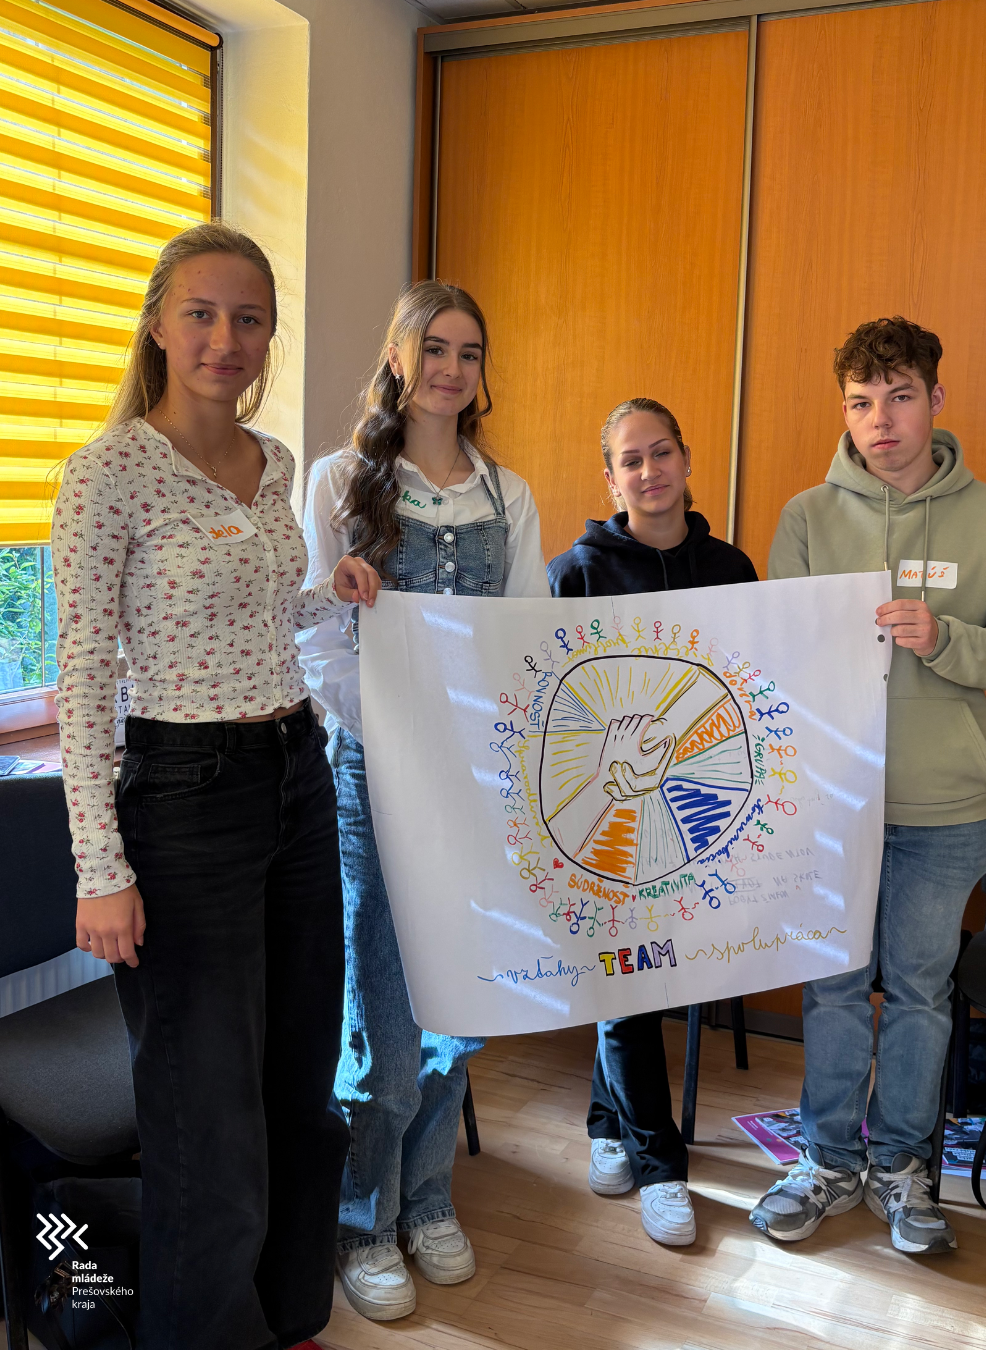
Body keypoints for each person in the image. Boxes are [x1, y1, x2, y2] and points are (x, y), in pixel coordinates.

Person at [52, 221, 380, 1350]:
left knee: (300, 1086)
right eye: (201, 313)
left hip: (294, 775)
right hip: (184, 798)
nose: (224, 339)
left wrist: (331, 589)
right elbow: (84, 674)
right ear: (157, 323)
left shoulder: (273, 462)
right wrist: (100, 868)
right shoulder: (106, 474)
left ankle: (288, 1320)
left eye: (248, 318)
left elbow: (255, 613)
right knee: (208, 1120)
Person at [751, 316, 986, 1254]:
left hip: (945, 810)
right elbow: (773, 658)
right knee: (834, 990)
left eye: (899, 396)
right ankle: (828, 1162)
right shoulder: (808, 516)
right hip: (833, 807)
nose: (880, 419)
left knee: (921, 994)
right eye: (860, 402)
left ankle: (902, 1169)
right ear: (844, 411)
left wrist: (944, 638)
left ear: (935, 399)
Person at [298, 280, 549, 1322]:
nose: (452, 369)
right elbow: (316, 636)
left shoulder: (508, 493)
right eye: (434, 348)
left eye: (469, 352)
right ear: (399, 356)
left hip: (477, 778)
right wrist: (395, 727)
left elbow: (528, 638)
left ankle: (429, 1197)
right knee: (382, 1006)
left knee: (461, 997)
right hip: (373, 772)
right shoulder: (338, 481)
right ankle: (365, 1216)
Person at [547, 397, 757, 1246]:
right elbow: (550, 708)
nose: (649, 471)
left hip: (701, 813)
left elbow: (751, 685)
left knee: (649, 984)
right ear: (611, 480)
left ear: (686, 458)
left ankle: (608, 1123)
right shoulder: (575, 573)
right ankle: (662, 1166)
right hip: (607, 823)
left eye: (660, 452)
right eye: (630, 460)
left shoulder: (732, 568)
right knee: (628, 984)